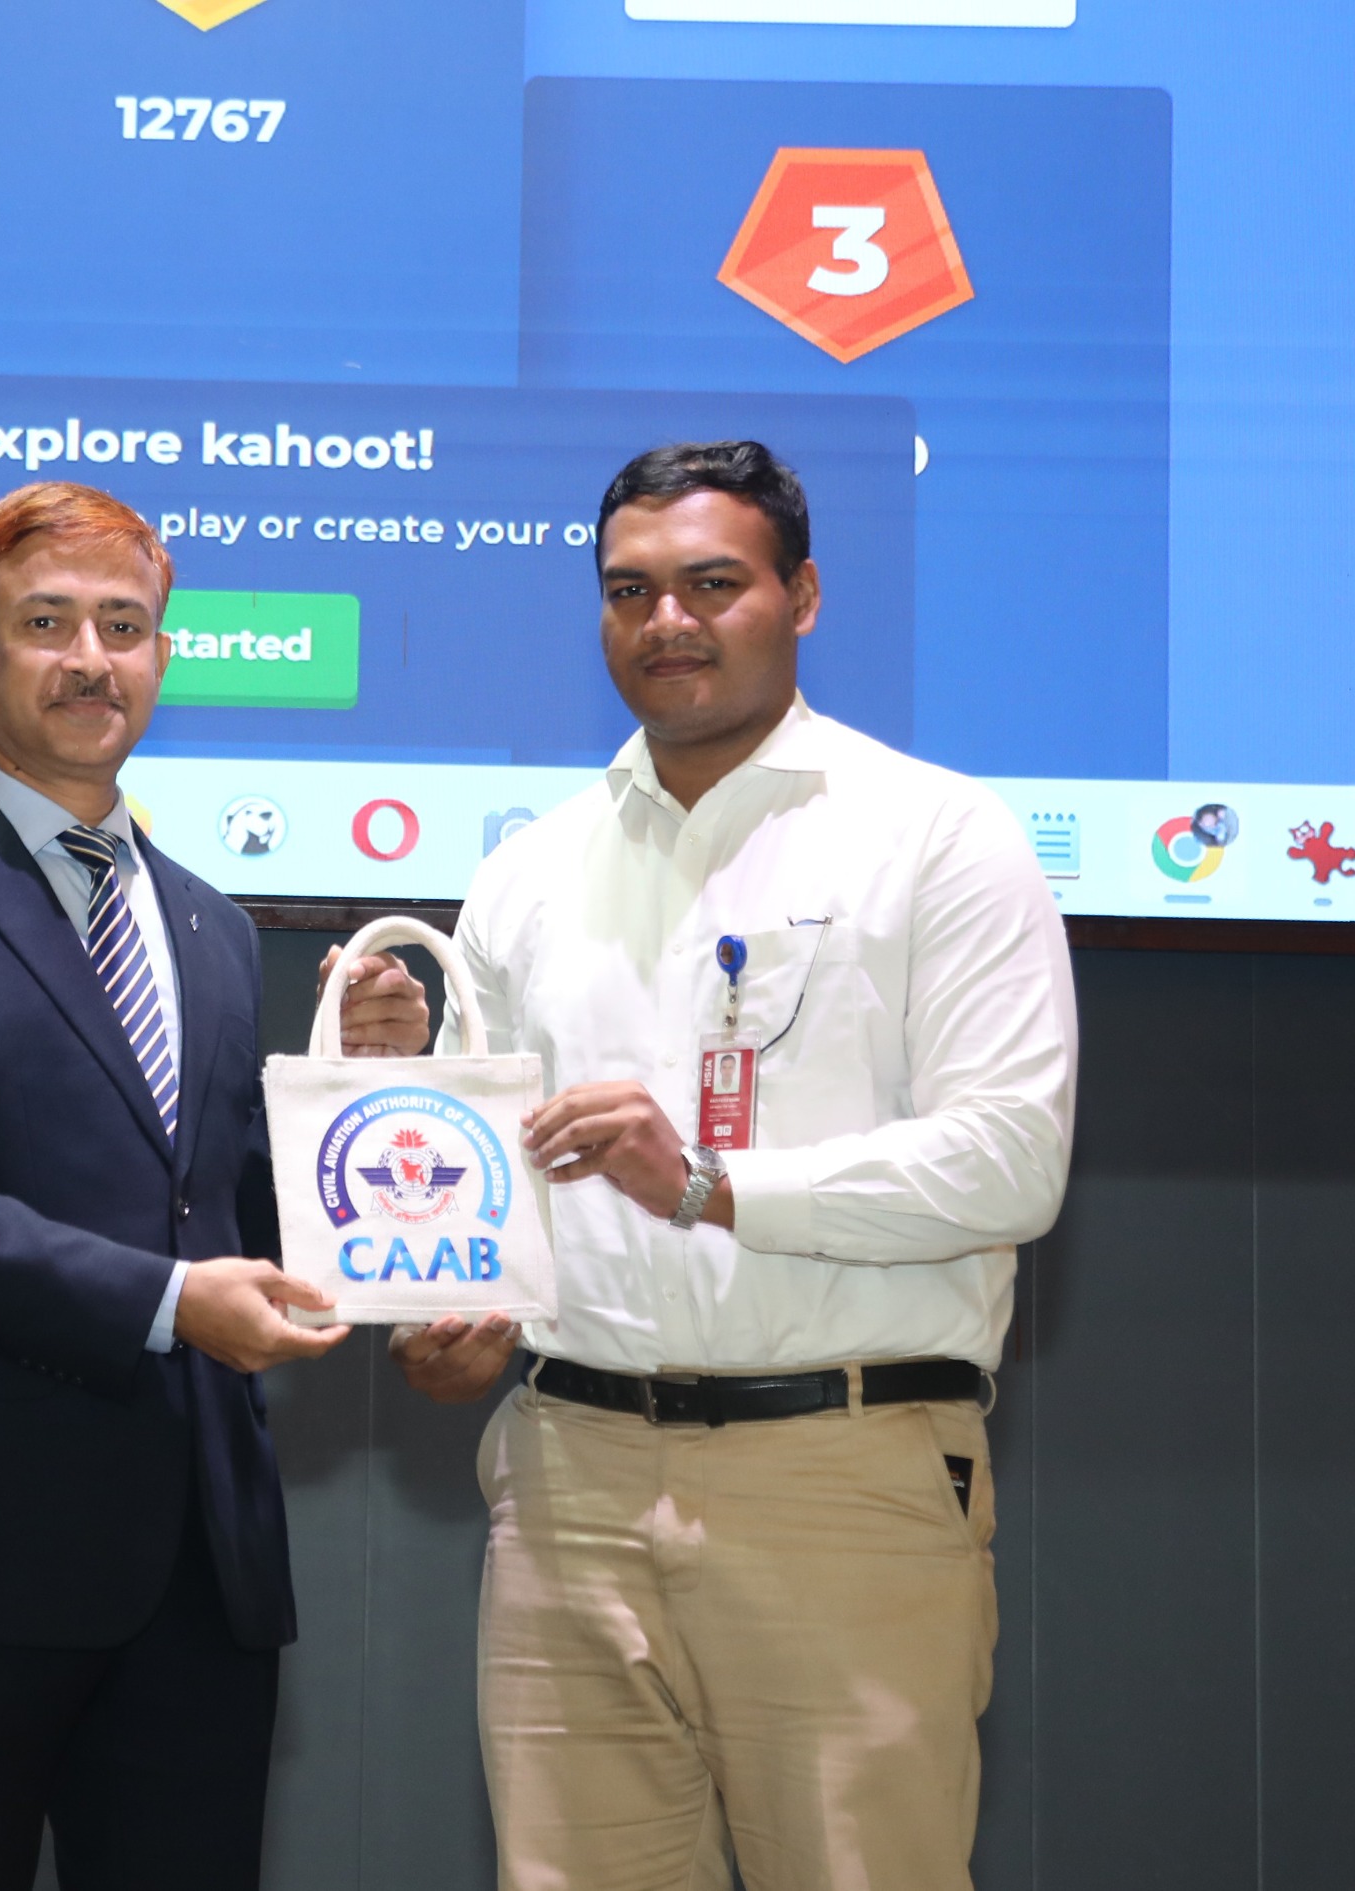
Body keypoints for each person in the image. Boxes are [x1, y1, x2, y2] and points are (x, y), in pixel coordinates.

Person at [396, 441, 1076, 1890]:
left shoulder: (937, 836)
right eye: (628, 591)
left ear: (803, 596)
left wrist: (710, 1185)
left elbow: (1012, 1159)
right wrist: (453, 1322)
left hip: (841, 1476)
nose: (667, 622)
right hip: (565, 1479)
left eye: (713, 584)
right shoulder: (527, 872)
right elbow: (486, 1196)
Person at [0, 480, 428, 1891]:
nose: (89, 660)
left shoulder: (211, 922)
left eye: (123, 627)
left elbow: (233, 1216)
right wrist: (168, 1302)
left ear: (163, 656)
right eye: (45, 624)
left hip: (203, 1563)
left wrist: (368, 1095)